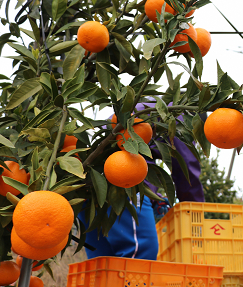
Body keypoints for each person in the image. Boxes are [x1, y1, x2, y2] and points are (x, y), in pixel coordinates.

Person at [80, 101, 204, 260]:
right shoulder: (183, 118)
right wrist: (195, 211)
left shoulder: (146, 108)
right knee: (140, 255)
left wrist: (154, 196)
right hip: (122, 184)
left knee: (102, 264)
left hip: (88, 186)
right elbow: (186, 167)